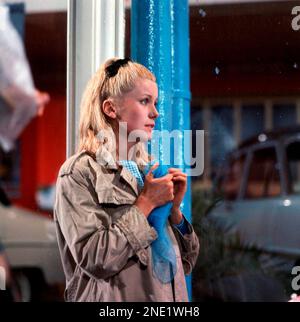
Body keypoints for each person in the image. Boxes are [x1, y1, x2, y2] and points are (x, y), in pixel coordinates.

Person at [54, 57, 200, 302]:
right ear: (111, 109)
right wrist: (145, 204)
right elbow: (95, 260)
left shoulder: (149, 170)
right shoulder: (79, 172)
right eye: (145, 101)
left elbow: (184, 264)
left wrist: (174, 212)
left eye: (155, 103)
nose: (155, 112)